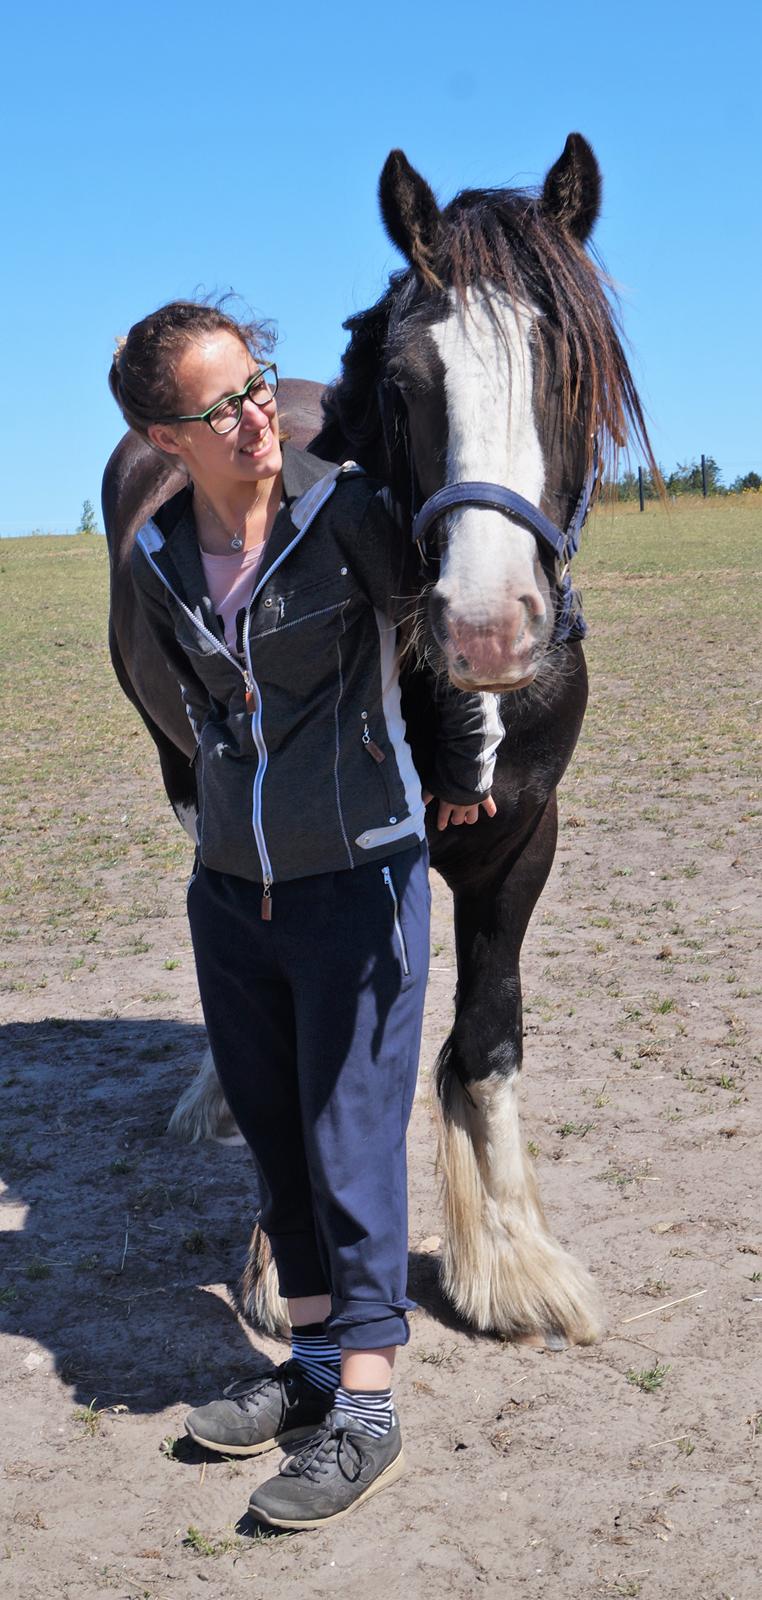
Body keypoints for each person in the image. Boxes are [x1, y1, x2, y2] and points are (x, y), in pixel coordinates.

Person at [108, 299, 500, 1530]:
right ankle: (315, 1370)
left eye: (258, 383)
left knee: (348, 1139)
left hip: (362, 881)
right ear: (168, 438)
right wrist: (233, 817)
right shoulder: (157, 558)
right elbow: (176, 708)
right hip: (232, 891)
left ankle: (367, 1414)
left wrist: (456, 772)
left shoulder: (354, 522)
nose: (255, 413)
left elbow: (456, 645)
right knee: (276, 1135)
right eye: (221, 404)